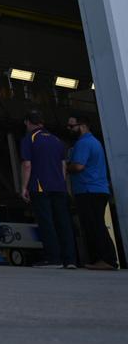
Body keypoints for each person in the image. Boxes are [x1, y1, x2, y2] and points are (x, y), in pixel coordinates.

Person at [20, 110, 77, 268]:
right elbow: (63, 165)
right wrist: (61, 182)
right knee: (63, 223)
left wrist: (24, 187)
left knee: (47, 222)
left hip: (40, 186)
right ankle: (70, 259)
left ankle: (53, 258)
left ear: (28, 122)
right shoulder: (57, 140)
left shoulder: (29, 139)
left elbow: (27, 164)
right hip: (59, 187)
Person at [66, 113, 118, 270]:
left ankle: (106, 259)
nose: (68, 129)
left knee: (94, 226)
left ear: (81, 126)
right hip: (98, 189)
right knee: (97, 224)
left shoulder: (83, 143)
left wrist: (65, 167)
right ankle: (103, 259)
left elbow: (78, 166)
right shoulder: (94, 142)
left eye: (71, 125)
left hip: (88, 190)